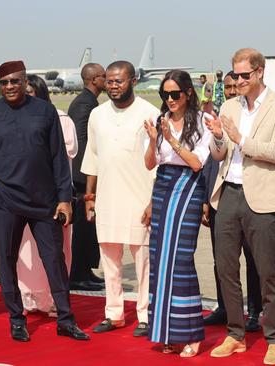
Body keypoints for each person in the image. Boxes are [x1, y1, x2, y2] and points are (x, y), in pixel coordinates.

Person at [0, 60, 89, 342]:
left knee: (54, 260)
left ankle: (65, 319)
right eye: (3, 83)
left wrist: (65, 199)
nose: (9, 87)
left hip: (44, 202)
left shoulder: (45, 111)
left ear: (25, 81)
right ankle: (16, 319)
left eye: (14, 81)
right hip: (6, 201)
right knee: (6, 260)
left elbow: (58, 159)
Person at [205, 48, 275, 365]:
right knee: (226, 268)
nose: (238, 81)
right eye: (235, 75)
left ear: (259, 72)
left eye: (243, 75)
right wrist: (217, 138)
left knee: (267, 272)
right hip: (228, 191)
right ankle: (235, 334)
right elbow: (219, 155)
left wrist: (239, 138)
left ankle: (274, 338)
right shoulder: (229, 105)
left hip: (263, 196)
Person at [80, 61, 159, 337]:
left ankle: (146, 315)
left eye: (119, 81)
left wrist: (152, 202)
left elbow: (158, 164)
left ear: (133, 81)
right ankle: (113, 314)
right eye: (110, 82)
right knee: (110, 262)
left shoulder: (150, 113)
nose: (113, 86)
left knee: (144, 264)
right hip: (107, 198)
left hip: (140, 199)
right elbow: (93, 157)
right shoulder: (97, 115)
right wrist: (90, 196)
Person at [143, 70, 212, 357]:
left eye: (174, 94)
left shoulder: (201, 122)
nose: (169, 99)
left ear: (188, 93)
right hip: (162, 186)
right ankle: (167, 331)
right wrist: (152, 139)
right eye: (165, 94)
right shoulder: (162, 122)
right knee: (159, 259)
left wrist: (172, 140)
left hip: (188, 188)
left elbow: (197, 163)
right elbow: (150, 164)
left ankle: (192, 332)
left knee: (181, 260)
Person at [202, 70, 263, 332]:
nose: (231, 90)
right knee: (222, 259)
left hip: (251, 197)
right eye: (226, 87)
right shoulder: (219, 117)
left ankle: (255, 311)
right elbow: (209, 163)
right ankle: (225, 307)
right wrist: (206, 200)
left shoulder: (254, 117)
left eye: (234, 85)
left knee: (253, 258)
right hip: (221, 196)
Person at [16, 74, 77, 317]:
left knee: (55, 251)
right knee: (25, 251)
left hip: (53, 198)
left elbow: (65, 155)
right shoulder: (15, 118)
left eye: (30, 93)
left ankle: (54, 299)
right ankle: (29, 298)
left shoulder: (60, 118)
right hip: (23, 196)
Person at [67, 63, 106, 291]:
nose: (107, 81)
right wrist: (91, 174)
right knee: (83, 227)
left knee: (89, 228)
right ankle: (78, 274)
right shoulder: (84, 104)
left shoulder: (89, 101)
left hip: (86, 174)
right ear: (93, 80)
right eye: (104, 77)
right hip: (83, 177)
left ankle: (85, 271)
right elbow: (82, 142)